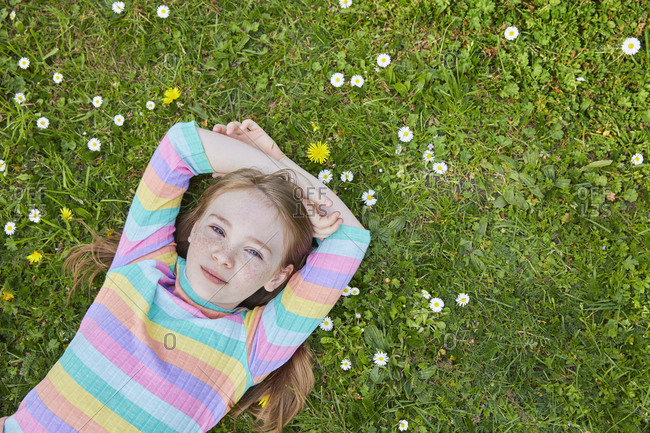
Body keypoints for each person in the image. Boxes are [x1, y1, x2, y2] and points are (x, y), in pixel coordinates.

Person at [0, 119, 371, 432]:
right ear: (193, 229)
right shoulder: (140, 264)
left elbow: (350, 241)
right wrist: (275, 169)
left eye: (254, 252)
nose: (224, 257)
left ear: (278, 277)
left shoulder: (253, 346)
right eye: (218, 230)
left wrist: (281, 168)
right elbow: (180, 145)